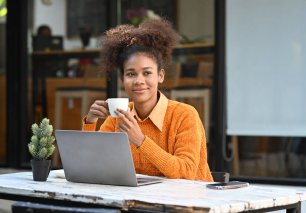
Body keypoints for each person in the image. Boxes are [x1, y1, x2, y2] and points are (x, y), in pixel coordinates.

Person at [82, 19, 213, 181]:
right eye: (131, 74)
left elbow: (186, 172)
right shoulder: (118, 117)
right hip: (139, 201)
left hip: (188, 202)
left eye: (147, 73)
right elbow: (92, 164)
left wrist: (140, 141)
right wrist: (90, 122)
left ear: (160, 76)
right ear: (123, 79)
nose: (138, 81)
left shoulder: (184, 115)